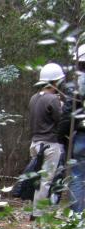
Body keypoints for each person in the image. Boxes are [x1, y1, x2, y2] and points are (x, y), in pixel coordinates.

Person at [28, 62, 65, 219]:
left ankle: (36, 210)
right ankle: (38, 214)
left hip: (35, 143)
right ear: (55, 82)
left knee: (39, 180)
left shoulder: (34, 98)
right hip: (50, 144)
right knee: (46, 181)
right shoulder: (52, 99)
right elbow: (61, 120)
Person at [58, 44, 85, 214]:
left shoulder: (76, 85)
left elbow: (68, 115)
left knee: (77, 176)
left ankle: (78, 219)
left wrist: (61, 137)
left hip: (82, 137)